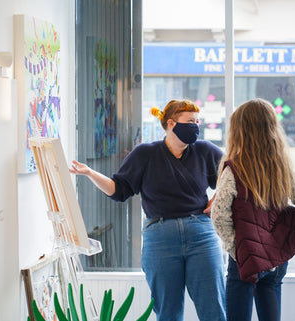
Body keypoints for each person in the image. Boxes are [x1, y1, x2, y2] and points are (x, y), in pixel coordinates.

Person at [70, 99, 226, 321]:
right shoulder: (145, 153)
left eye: (197, 121)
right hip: (160, 237)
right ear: (171, 123)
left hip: (201, 234)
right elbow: (118, 190)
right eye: (190, 121)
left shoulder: (205, 151)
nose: (196, 126)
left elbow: (233, 176)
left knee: (214, 307)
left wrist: (216, 200)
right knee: (167, 312)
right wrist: (90, 174)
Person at [211, 98, 295, 321]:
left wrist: (237, 248)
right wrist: (280, 243)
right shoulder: (282, 167)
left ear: (240, 131)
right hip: (275, 262)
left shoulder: (234, 168)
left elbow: (219, 213)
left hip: (244, 260)